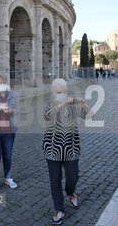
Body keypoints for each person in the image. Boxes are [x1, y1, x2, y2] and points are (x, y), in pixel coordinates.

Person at [42, 78, 90, 225]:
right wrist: (61, 104)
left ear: (66, 91)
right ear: (52, 92)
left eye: (62, 92)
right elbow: (46, 116)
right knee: (55, 181)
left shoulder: (73, 106)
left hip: (71, 149)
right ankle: (59, 209)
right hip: (52, 150)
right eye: (57, 92)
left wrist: (83, 105)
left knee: (73, 176)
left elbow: (89, 116)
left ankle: (70, 192)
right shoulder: (48, 105)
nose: (60, 94)